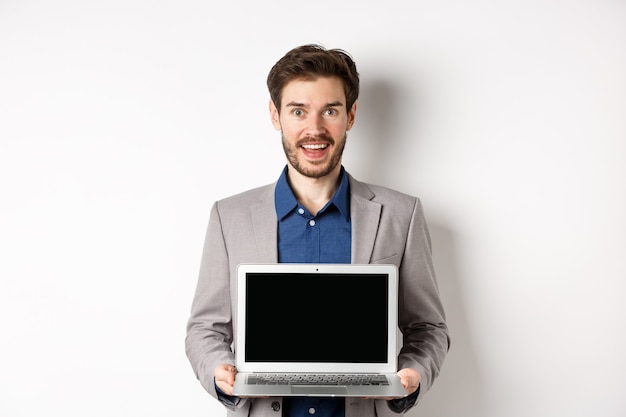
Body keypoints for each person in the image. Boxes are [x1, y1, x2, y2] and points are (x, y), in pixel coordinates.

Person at [185, 44, 450, 417]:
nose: (315, 129)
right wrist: (218, 371)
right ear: (275, 115)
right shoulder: (229, 217)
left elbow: (428, 327)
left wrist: (413, 375)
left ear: (351, 115)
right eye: (298, 111)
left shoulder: (400, 214)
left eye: (330, 110)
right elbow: (204, 329)